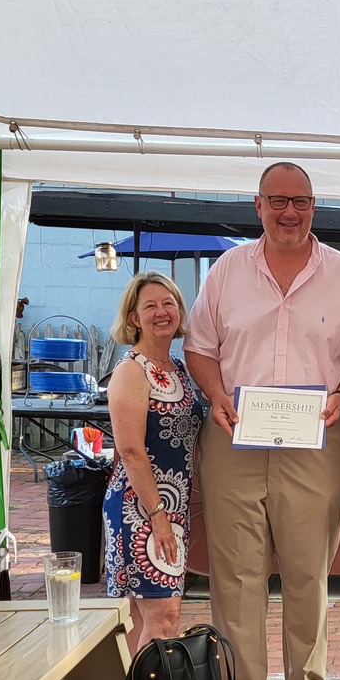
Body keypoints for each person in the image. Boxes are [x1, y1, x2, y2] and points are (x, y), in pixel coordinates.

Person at [185, 161, 340, 680]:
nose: (288, 212)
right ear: (258, 206)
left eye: (299, 202)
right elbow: (200, 348)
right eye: (278, 201)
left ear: (314, 207)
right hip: (233, 437)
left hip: (316, 439)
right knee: (235, 573)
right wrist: (216, 394)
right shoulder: (225, 271)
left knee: (307, 570)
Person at [103, 272, 204, 653]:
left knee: (140, 620)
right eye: (150, 306)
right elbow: (130, 450)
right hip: (141, 507)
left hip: (170, 507)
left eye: (169, 303)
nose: (162, 312)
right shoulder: (131, 370)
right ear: (133, 318)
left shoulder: (177, 366)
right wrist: (158, 515)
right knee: (164, 619)